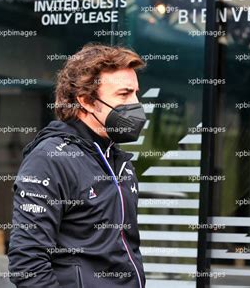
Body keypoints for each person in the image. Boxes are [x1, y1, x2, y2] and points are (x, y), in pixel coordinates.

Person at [8, 44, 147, 287]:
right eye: (124, 95)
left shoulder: (118, 161)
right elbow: (27, 264)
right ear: (85, 101)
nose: (136, 104)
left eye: (136, 93)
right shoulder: (50, 158)